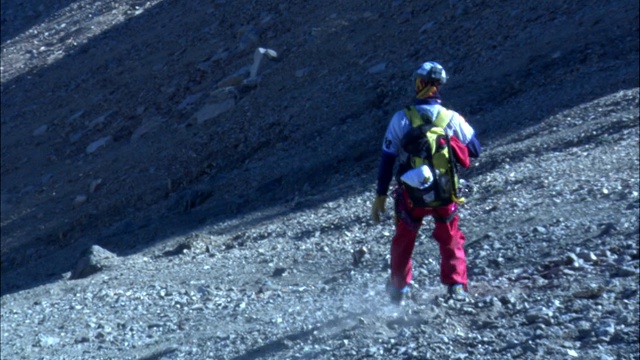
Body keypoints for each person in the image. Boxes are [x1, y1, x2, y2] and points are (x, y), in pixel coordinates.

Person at [371, 61, 482, 303]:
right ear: (439, 86)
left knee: (404, 237)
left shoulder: (401, 118)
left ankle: (399, 290)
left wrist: (380, 195)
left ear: (419, 83)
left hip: (411, 193)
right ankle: (456, 286)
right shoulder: (451, 118)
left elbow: (387, 159)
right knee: (450, 235)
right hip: (445, 191)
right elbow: (475, 149)